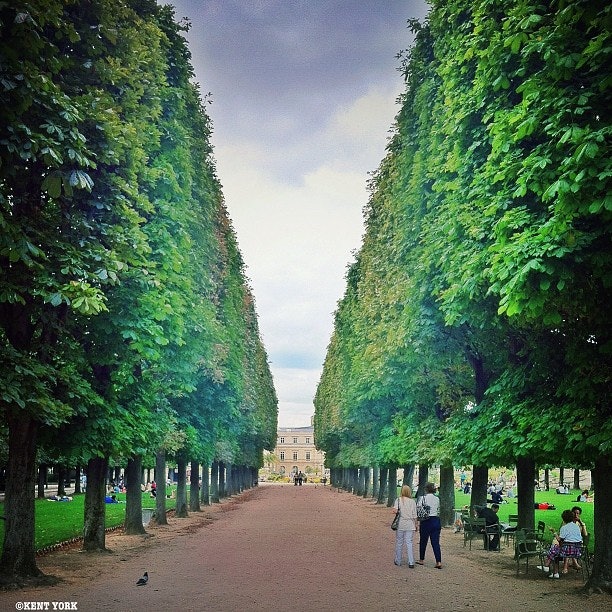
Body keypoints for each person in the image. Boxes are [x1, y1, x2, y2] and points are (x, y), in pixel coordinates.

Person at [538, 509, 582, 578]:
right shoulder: (577, 527)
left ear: (563, 519)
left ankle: (548, 567)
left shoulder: (564, 528)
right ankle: (552, 571)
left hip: (567, 551)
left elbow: (559, 540)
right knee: (556, 549)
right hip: (577, 551)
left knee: (555, 549)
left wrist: (554, 532)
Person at [416, 482, 442, 569]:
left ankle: (421, 559)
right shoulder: (437, 499)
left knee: (423, 540)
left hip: (425, 520)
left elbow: (418, 507)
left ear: (426, 489)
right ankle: (438, 561)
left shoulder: (422, 498)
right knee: (435, 542)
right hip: (435, 520)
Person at [392, 485, 418, 567]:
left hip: (400, 523)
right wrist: (416, 524)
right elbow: (415, 515)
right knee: (409, 542)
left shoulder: (398, 500)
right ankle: (411, 562)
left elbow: (394, 511)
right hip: (410, 524)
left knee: (399, 542)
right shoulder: (412, 501)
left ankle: (398, 560)